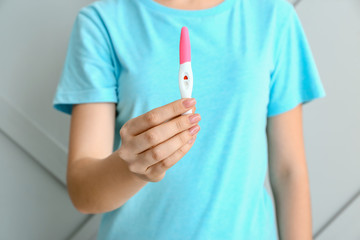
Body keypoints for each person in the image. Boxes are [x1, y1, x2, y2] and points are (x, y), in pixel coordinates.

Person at [52, 0, 326, 239]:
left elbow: (289, 173)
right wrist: (132, 168)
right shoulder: (101, 23)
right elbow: (83, 192)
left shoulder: (274, 19)